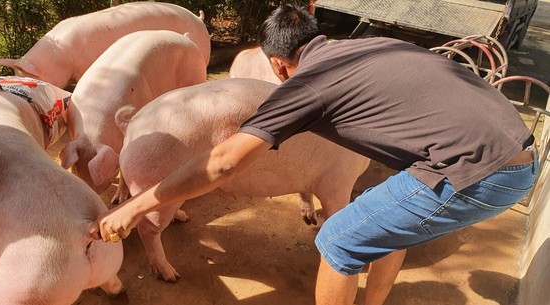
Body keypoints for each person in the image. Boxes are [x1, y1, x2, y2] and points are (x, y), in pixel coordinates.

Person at [90, 4, 538, 305]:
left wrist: (136, 207)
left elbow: (224, 162)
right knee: (385, 224)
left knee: (339, 238)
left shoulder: (306, 84)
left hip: (478, 172)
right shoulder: (368, 44)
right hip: (514, 144)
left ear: (278, 64)